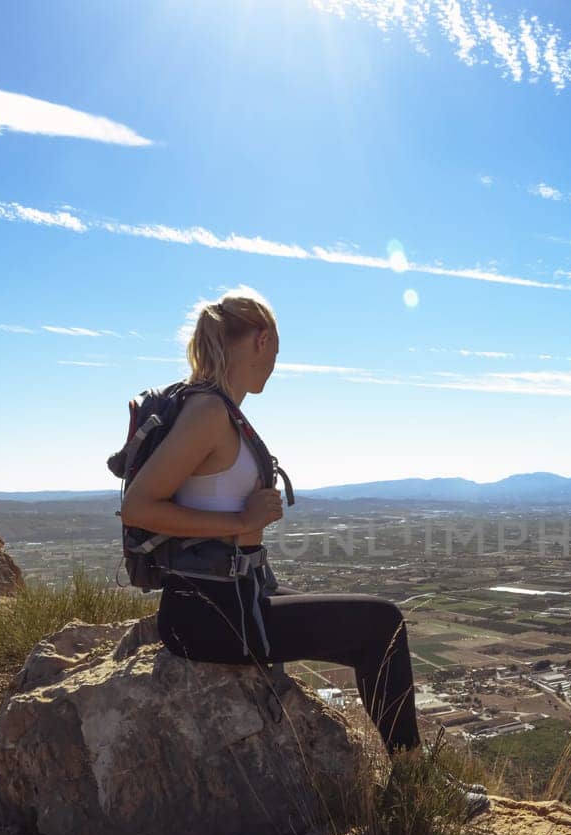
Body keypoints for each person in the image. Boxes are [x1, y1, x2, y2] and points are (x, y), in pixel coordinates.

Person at [119, 287, 438, 771]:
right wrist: (240, 522)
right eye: (277, 353)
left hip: (231, 598)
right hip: (213, 614)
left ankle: (407, 777)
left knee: (363, 630)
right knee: (383, 623)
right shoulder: (208, 411)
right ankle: (414, 781)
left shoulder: (218, 408)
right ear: (262, 340)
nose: (275, 366)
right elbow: (139, 506)